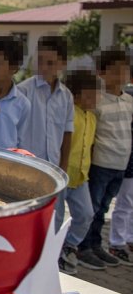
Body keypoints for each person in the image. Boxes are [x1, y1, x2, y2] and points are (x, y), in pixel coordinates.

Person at [77, 48, 133, 270]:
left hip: (120, 164)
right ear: (101, 73)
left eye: (124, 70)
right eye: (114, 71)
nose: (120, 76)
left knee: (104, 208)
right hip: (100, 163)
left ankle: (96, 245)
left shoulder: (129, 101)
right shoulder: (97, 102)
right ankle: (82, 248)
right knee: (93, 207)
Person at [17, 35, 74, 232]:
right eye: (40, 60)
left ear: (62, 63)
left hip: (54, 169)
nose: (44, 67)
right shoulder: (23, 91)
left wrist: (63, 167)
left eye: (50, 62)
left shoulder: (66, 96)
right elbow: (14, 130)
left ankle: (51, 258)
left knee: (54, 217)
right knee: (28, 215)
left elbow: (67, 133)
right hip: (28, 167)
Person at [58, 70, 100, 274]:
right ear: (74, 96)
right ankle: (53, 254)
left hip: (81, 177)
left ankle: (69, 245)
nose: (95, 99)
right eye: (89, 95)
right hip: (63, 174)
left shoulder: (92, 118)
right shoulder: (70, 113)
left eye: (96, 95)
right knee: (54, 218)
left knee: (86, 215)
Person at [108, 119, 133, 266]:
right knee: (125, 203)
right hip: (126, 162)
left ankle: (128, 238)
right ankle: (117, 243)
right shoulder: (129, 102)